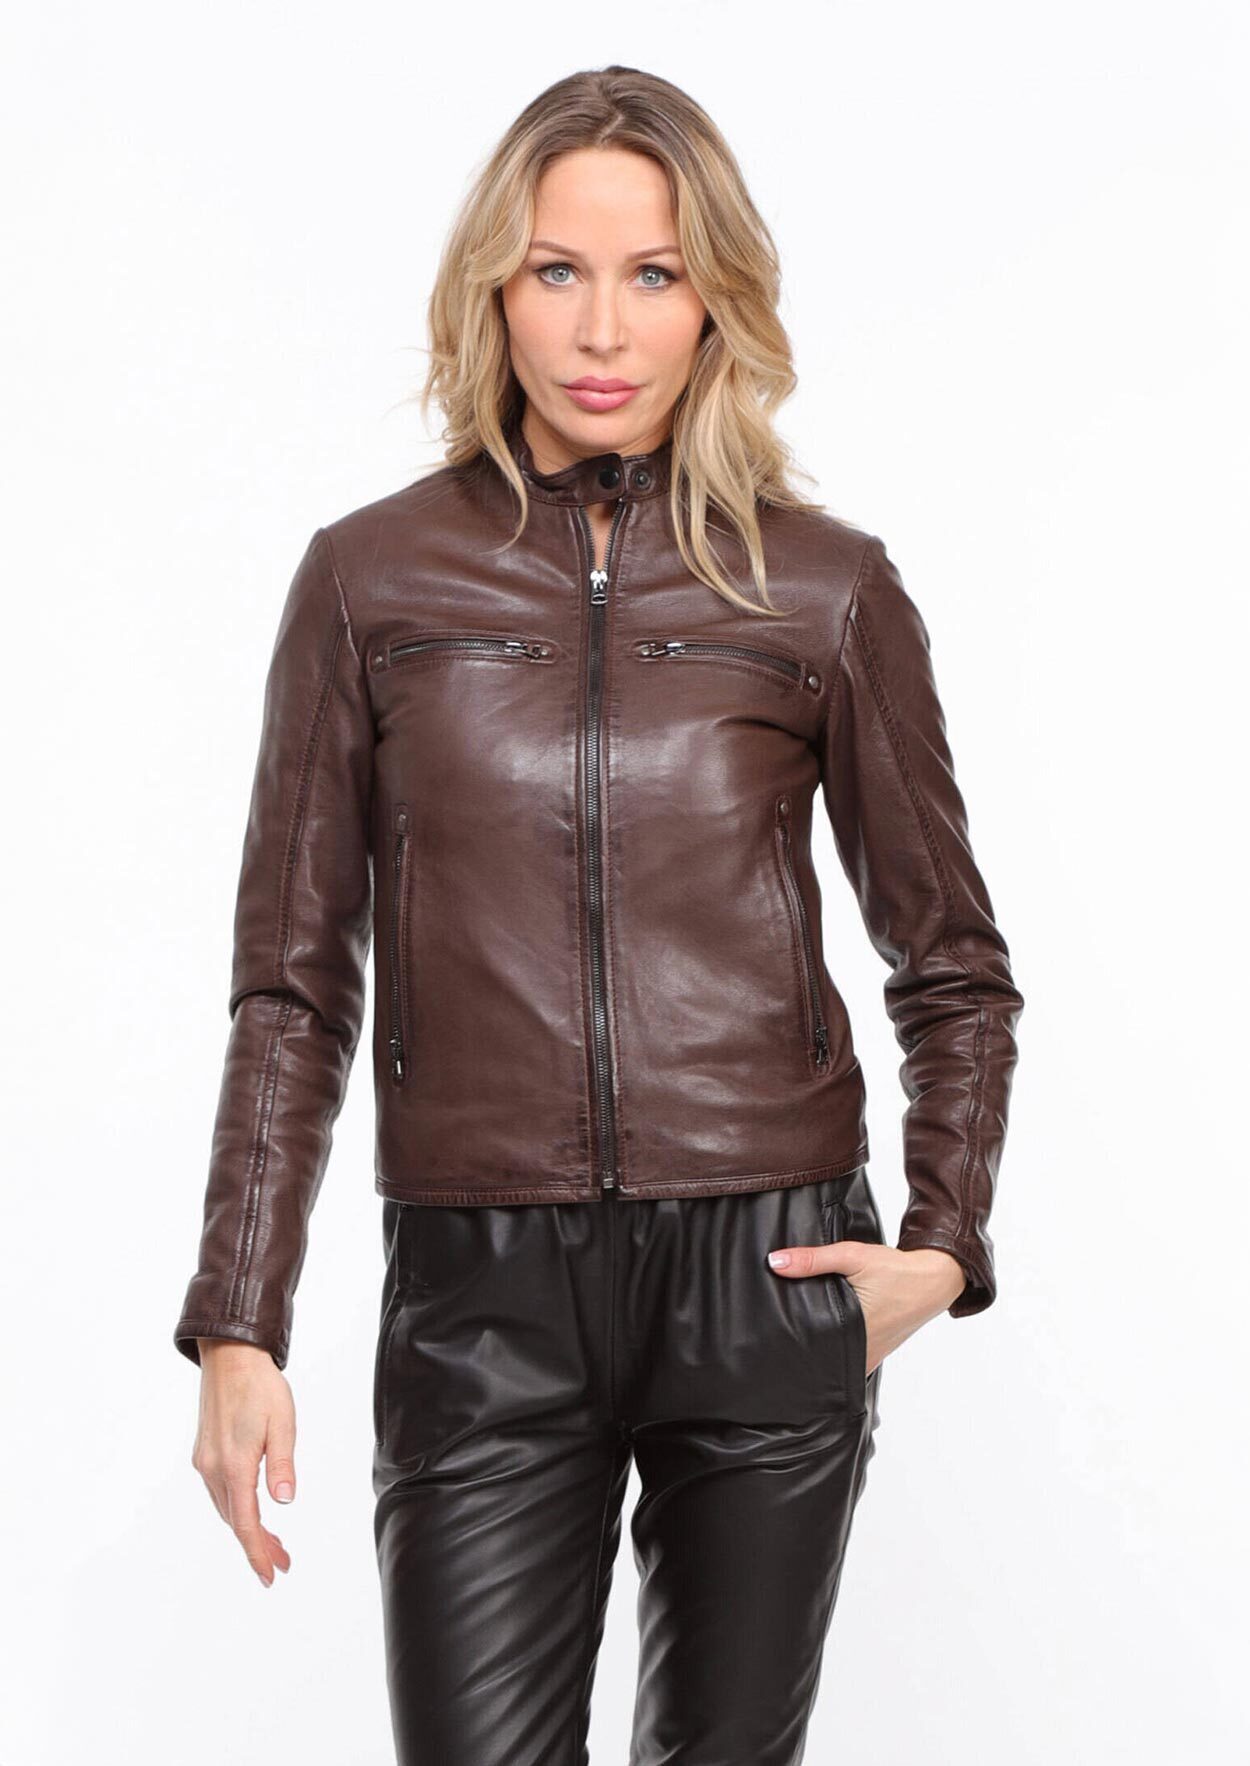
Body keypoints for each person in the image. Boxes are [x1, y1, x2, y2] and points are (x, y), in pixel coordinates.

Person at [174, 64, 1025, 1766]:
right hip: (481, 1288)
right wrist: (239, 1317)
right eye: (556, 269)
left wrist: (941, 1242)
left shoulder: (822, 587)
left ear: (716, 300)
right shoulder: (369, 580)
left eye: (654, 274)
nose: (602, 328)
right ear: (491, 287)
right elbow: (292, 985)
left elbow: (952, 966)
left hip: (763, 1261)